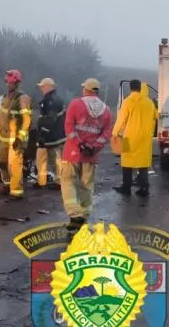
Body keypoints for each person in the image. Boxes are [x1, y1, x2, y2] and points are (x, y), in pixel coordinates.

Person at [59, 78, 113, 231]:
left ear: (86, 89)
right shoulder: (106, 110)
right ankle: (84, 214)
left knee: (68, 181)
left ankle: (75, 214)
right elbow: (106, 133)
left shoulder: (76, 104)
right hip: (91, 155)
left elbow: (69, 127)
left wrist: (80, 144)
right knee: (87, 185)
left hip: (72, 153)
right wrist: (94, 147)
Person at [112, 80, 158, 197]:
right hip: (145, 137)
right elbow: (156, 116)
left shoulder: (128, 101)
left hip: (130, 136)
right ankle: (144, 188)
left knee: (127, 162)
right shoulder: (149, 102)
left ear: (131, 88)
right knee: (143, 163)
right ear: (140, 88)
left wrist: (115, 133)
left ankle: (126, 187)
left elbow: (121, 119)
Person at [0, 69, 32, 200]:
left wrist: (19, 138)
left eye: (11, 83)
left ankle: (16, 191)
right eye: (7, 82)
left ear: (17, 83)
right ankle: (7, 184)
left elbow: (27, 120)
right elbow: (1, 116)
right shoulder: (5, 97)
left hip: (15, 139)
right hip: (4, 137)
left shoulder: (22, 98)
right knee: (1, 162)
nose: (8, 85)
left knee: (14, 165)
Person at [34, 77, 65, 190]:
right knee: (55, 160)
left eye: (42, 86)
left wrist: (42, 134)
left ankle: (51, 182)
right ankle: (57, 181)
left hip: (51, 137)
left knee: (47, 159)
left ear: (48, 86)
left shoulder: (51, 100)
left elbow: (50, 120)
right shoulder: (54, 99)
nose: (41, 88)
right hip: (55, 136)